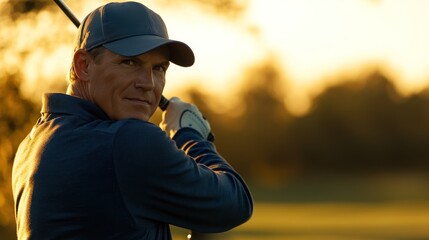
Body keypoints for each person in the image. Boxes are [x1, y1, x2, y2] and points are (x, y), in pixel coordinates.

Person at [12, 1, 253, 239]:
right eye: (129, 62)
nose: (147, 83)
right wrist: (190, 136)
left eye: (159, 68)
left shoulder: (31, 144)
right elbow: (235, 204)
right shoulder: (129, 141)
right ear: (83, 65)